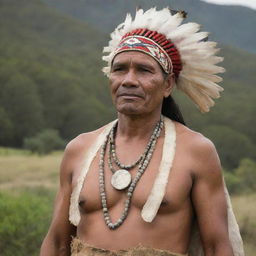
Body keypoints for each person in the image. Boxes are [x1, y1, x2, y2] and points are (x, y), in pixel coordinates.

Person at [40, 8, 244, 256]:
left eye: (144, 70)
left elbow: (216, 246)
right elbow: (57, 241)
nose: (128, 80)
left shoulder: (196, 151)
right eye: (120, 69)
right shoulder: (79, 149)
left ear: (168, 84)